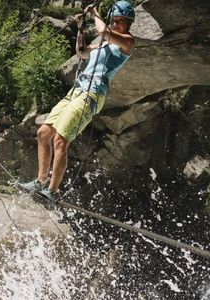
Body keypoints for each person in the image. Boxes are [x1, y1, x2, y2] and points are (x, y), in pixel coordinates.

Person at [19, 1, 136, 201]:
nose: (116, 24)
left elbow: (104, 31)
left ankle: (52, 192)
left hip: (92, 94)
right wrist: (80, 27)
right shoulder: (103, 43)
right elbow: (81, 52)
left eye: (120, 21)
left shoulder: (127, 42)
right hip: (76, 91)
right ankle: (40, 182)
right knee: (44, 133)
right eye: (114, 20)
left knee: (60, 140)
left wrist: (94, 13)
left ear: (128, 24)